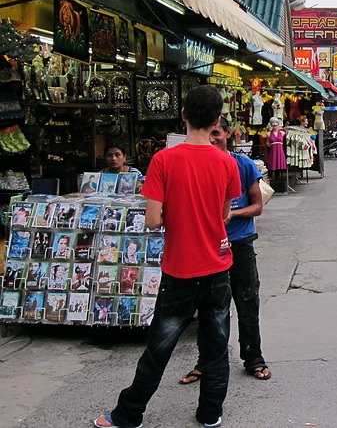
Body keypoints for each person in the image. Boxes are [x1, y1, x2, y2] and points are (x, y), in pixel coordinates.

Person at [94, 85, 240, 428]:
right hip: (218, 267)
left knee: (159, 347)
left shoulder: (163, 160)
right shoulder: (226, 162)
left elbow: (153, 220)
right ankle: (210, 414)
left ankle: (129, 414)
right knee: (216, 345)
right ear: (216, 120)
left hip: (180, 269)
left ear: (184, 115)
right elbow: (223, 216)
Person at [180, 115, 269, 386]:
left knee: (246, 301)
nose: (213, 138)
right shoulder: (195, 164)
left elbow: (258, 205)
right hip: (207, 246)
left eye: (217, 133)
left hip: (239, 245)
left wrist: (232, 213)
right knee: (208, 307)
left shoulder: (243, 165)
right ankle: (205, 363)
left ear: (229, 133)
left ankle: (253, 358)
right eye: (209, 132)